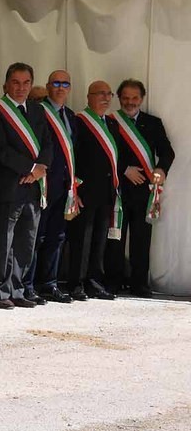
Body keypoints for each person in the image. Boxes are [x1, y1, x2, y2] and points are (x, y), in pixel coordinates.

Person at [0, 63, 52, 309]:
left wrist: (39, 169)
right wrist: (30, 169)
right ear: (6, 85)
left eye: (25, 83)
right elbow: (0, 150)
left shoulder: (37, 110)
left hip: (33, 188)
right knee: (4, 241)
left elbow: (48, 144)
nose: (21, 88)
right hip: (8, 186)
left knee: (26, 242)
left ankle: (18, 288)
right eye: (15, 82)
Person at [107, 79, 174, 297]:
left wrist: (161, 170)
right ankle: (113, 281)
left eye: (134, 98)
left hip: (144, 192)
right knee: (115, 238)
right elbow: (103, 155)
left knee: (141, 238)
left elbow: (167, 152)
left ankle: (139, 283)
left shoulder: (153, 122)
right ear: (119, 98)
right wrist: (124, 169)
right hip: (117, 189)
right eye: (125, 98)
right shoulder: (110, 122)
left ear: (142, 99)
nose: (130, 102)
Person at [66, 81, 122, 301]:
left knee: (99, 239)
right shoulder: (79, 121)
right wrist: (75, 188)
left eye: (109, 94)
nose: (106, 98)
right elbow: (73, 156)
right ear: (88, 96)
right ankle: (76, 283)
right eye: (100, 94)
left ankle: (94, 281)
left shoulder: (111, 123)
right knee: (82, 238)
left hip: (107, 191)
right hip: (86, 191)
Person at [28, 70, 78, 304]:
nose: (60, 87)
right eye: (56, 83)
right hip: (43, 182)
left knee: (57, 237)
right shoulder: (38, 111)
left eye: (65, 84)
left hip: (65, 185)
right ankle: (29, 283)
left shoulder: (70, 115)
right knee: (36, 236)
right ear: (48, 86)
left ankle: (50, 283)